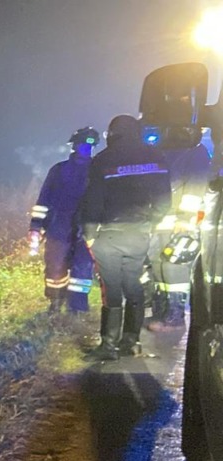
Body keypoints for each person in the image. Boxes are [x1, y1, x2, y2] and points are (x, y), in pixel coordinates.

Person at [79, 115, 173, 361]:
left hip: (108, 234)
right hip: (140, 233)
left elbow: (93, 199)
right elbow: (164, 199)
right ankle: (131, 342)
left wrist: (89, 233)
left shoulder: (103, 160)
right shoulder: (156, 156)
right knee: (133, 285)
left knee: (110, 288)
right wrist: (151, 221)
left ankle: (108, 346)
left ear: (113, 134)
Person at [29, 127, 99, 314]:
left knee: (82, 271)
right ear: (74, 145)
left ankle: (77, 309)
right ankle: (55, 302)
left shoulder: (99, 171)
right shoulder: (59, 170)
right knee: (55, 267)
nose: (86, 149)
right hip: (58, 228)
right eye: (83, 144)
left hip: (86, 230)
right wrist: (36, 227)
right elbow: (43, 201)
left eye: (90, 145)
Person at [147, 129, 211, 331]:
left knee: (174, 266)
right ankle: (161, 312)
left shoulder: (196, 152)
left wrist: (185, 218)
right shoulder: (161, 150)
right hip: (158, 220)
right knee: (157, 266)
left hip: (179, 221)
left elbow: (196, 186)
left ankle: (175, 316)